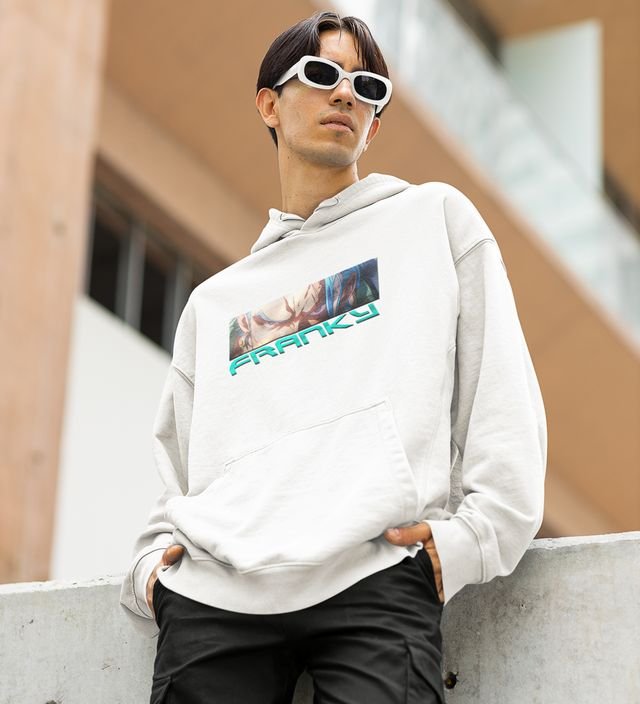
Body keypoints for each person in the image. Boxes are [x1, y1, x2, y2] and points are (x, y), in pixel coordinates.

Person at [119, 10, 547, 704]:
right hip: (214, 599)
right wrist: (149, 573)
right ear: (269, 105)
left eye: (367, 86)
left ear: (373, 125)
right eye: (322, 74)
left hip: (377, 577)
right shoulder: (216, 303)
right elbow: (177, 463)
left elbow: (501, 398)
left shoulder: (432, 220)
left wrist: (470, 542)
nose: (345, 93)